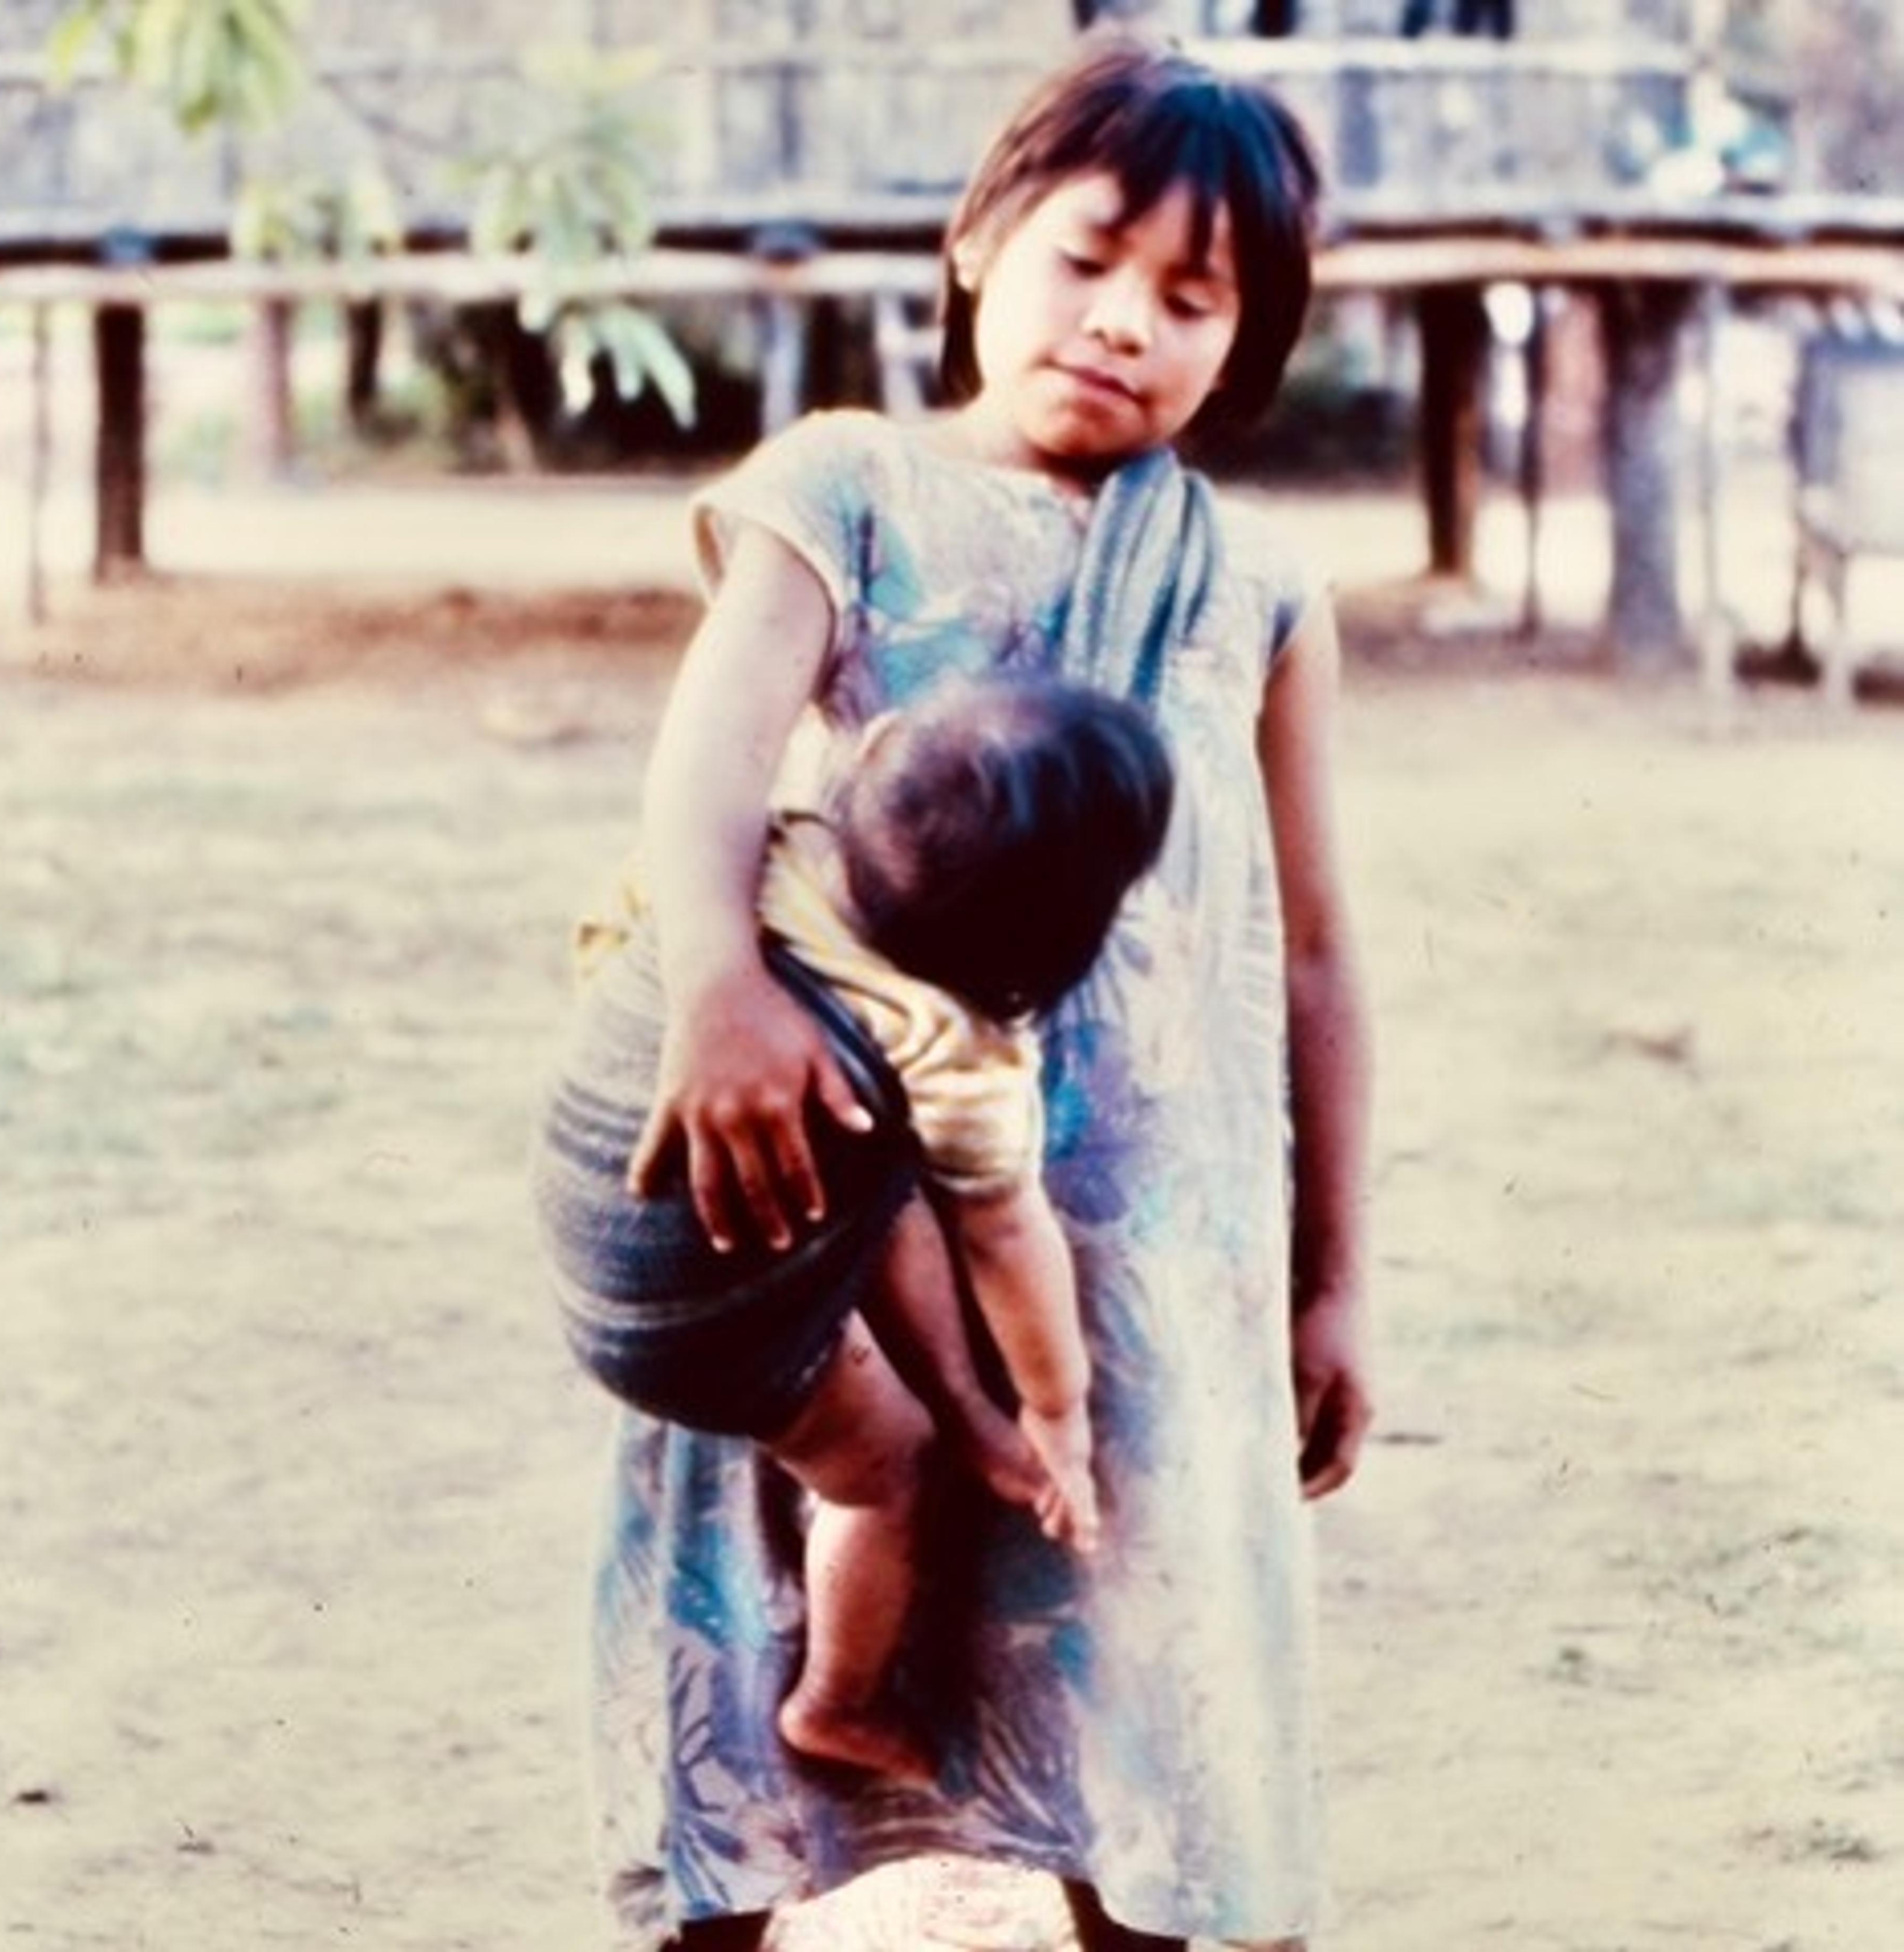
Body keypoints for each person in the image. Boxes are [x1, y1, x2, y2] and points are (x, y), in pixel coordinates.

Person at [583, 30, 1374, 1952]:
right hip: (845, 1191)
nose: (1123, 324)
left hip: (1149, 1248)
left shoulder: (1253, 581)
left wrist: (1335, 1268)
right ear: (976, 238)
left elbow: (1325, 949)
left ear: (1244, 344)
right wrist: (716, 989)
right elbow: (706, 761)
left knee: (1146, 1716)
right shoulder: (842, 488)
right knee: (774, 1600)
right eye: (1088, 259)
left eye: (1194, 301)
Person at [539, 671, 1177, 1782]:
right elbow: (1003, 1234)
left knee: (882, 1173)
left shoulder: (761, 859)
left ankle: (962, 1410)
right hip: (697, 1317)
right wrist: (1057, 1405)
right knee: (882, 1469)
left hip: (593, 1211)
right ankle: (838, 1699)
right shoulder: (946, 1038)